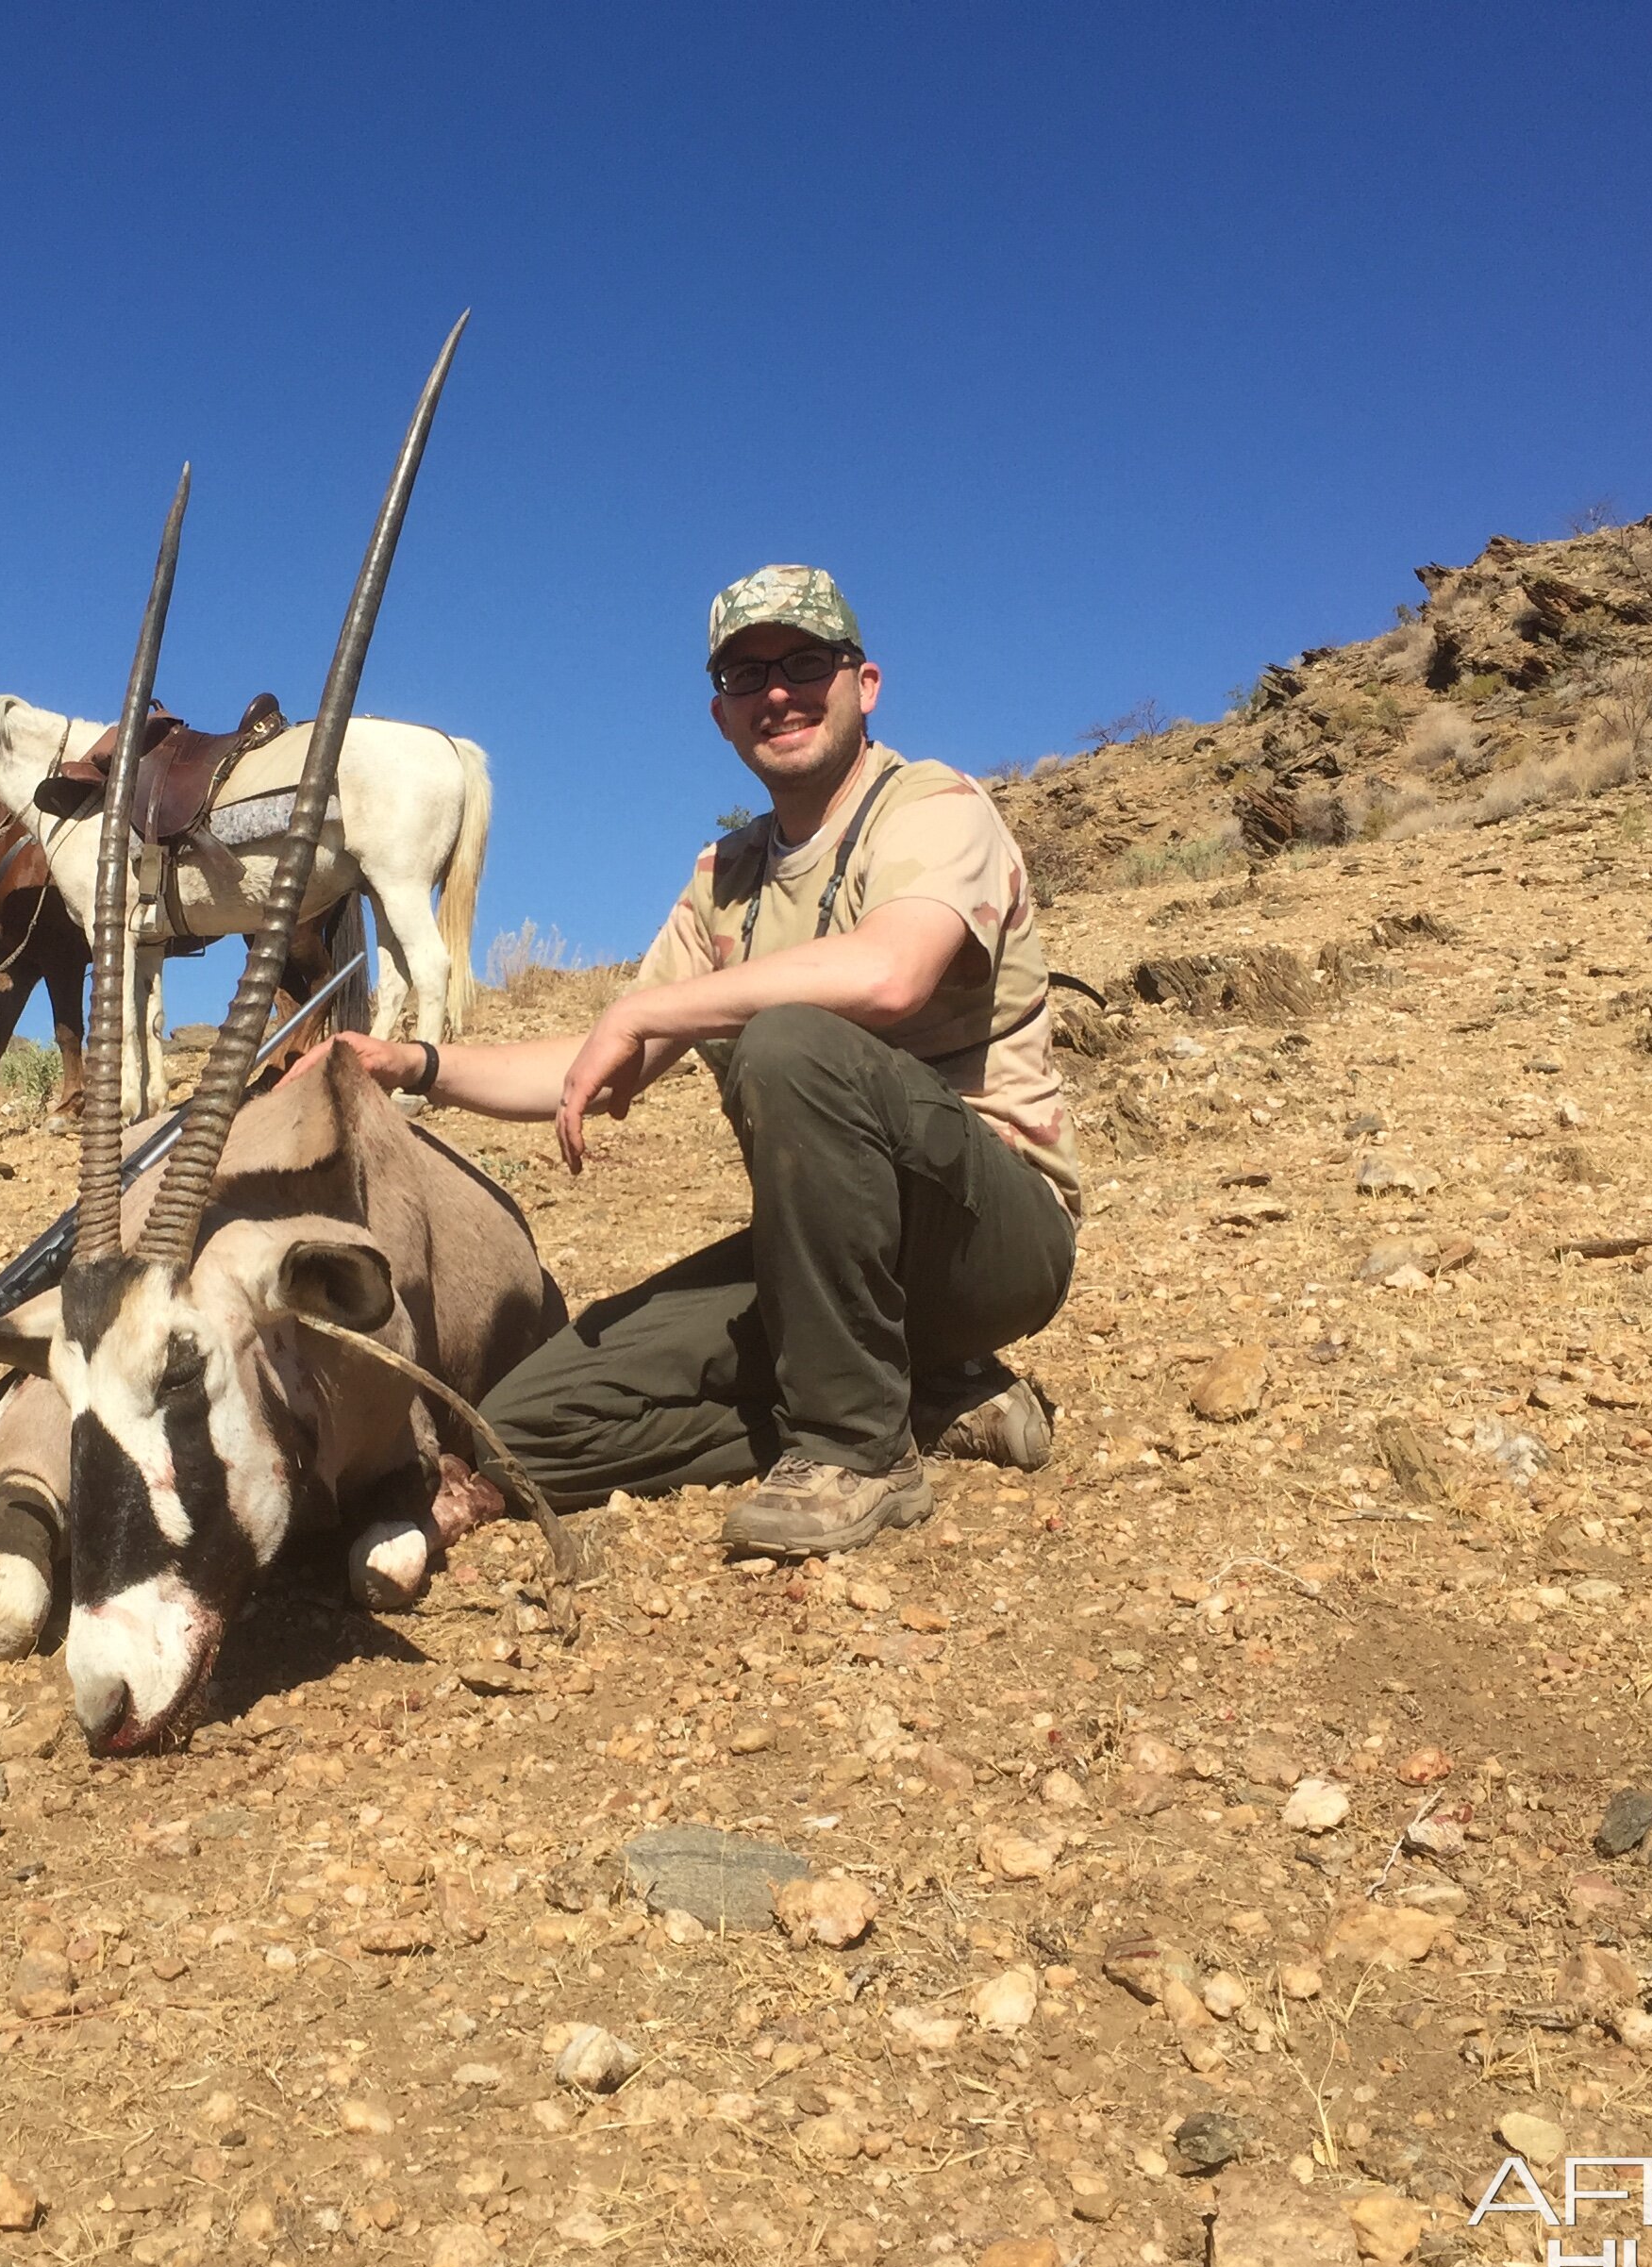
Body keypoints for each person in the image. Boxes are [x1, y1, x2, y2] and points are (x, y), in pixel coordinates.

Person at [317, 563, 1080, 1558]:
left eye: (806, 662)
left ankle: (856, 1452)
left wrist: (657, 1009)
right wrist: (411, 1062)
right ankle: (922, 1400)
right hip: (828, 1270)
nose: (776, 692)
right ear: (721, 715)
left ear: (866, 683)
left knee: (791, 1040)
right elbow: (599, 1060)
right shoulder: (726, 879)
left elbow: (892, 973)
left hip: (993, 1241)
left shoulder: (933, 805)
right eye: (744, 675)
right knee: (522, 1431)